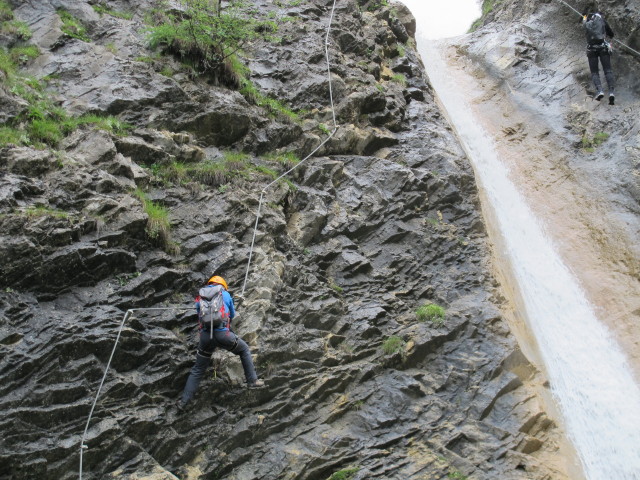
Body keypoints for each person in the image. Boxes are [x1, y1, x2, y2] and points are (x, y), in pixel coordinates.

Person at [179, 275, 263, 410]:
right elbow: (232, 315)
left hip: (206, 337)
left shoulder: (201, 296)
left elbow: (198, 312)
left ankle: (184, 402)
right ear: (223, 285)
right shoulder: (225, 294)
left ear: (209, 284)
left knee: (198, 369)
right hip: (224, 334)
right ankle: (252, 381)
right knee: (244, 349)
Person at [581, 11, 615, 105]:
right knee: (607, 70)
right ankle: (611, 92)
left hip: (591, 50)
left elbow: (584, 26)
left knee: (594, 72)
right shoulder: (601, 20)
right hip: (603, 48)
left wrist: (584, 17)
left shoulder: (586, 21)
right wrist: (609, 36)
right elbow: (611, 33)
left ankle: (600, 90)